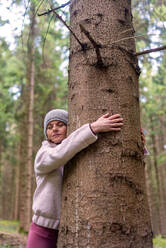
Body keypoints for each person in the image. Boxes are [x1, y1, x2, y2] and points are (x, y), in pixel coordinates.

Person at [28, 108, 146, 248]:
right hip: (43, 230)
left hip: (72, 230)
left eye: (60, 124)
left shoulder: (74, 150)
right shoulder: (44, 154)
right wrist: (93, 128)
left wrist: (138, 146)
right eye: (49, 127)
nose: (54, 129)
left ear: (69, 127)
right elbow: (59, 154)